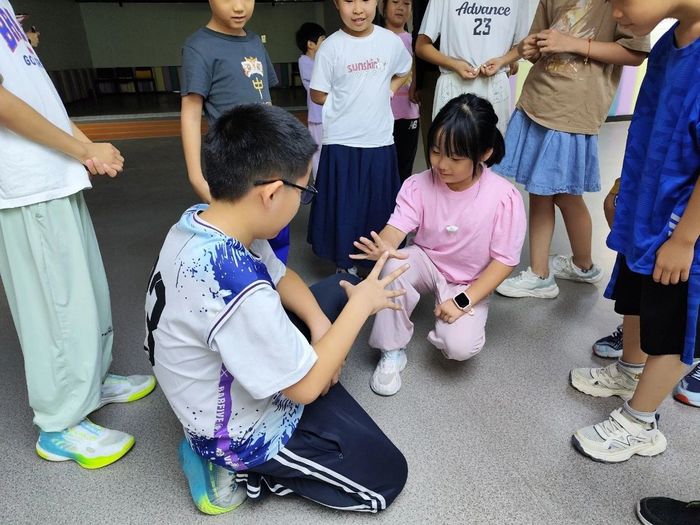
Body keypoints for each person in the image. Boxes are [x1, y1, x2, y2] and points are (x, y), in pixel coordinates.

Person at [145, 103, 409, 514]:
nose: (302, 201)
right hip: (234, 427)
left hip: (216, 368)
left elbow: (281, 275)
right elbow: (304, 389)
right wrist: (361, 308)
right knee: (387, 476)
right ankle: (231, 466)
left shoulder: (205, 219)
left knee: (331, 297)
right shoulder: (237, 285)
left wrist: (323, 326)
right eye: (303, 193)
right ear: (271, 193)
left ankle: (313, 360)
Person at [0, 1, 155, 469]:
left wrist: (86, 148)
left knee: (84, 290)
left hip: (53, 174)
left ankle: (91, 381)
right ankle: (60, 424)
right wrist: (78, 147)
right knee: (55, 306)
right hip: (25, 186)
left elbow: (37, 93)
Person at [568, 0, 700, 463]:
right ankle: (630, 368)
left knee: (671, 321)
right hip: (646, 205)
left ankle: (641, 423)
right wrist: (627, 184)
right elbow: (655, 127)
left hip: (681, 225)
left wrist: (685, 238)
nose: (617, 13)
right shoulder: (672, 41)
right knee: (636, 293)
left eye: (620, 1)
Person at [352, 94, 526, 396]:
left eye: (455, 158)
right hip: (426, 260)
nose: (441, 165)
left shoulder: (504, 197)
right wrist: (385, 245)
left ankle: (450, 318)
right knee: (393, 263)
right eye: (435, 151)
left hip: (469, 279)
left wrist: (462, 302)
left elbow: (504, 261)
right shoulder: (419, 184)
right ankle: (391, 350)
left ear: (484, 153)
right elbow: (397, 226)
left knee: (458, 348)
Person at [495, 0, 650, 300]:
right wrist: (531, 48)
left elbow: (635, 52)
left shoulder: (620, 5)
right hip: (538, 100)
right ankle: (581, 266)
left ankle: (544, 275)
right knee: (546, 191)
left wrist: (574, 43)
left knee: (561, 194)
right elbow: (539, 39)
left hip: (573, 110)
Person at [180, 0, 292, 263]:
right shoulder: (199, 47)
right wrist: (196, 176)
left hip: (270, 158)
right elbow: (191, 112)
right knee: (243, 243)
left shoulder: (254, 41)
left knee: (276, 236)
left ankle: (276, 294)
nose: (239, 6)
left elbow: (265, 98)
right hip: (237, 164)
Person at [308, 0, 412, 276]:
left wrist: (389, 89)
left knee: (378, 205)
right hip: (341, 141)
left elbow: (405, 70)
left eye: (365, 0)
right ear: (336, 4)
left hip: (379, 139)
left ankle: (375, 261)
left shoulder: (390, 42)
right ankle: (346, 264)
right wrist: (345, 101)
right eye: (349, 1)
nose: (358, 9)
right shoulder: (331, 46)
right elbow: (317, 93)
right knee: (346, 206)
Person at [415, 0, 530, 134]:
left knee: (492, 149)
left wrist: (502, 61)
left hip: (495, 87)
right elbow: (421, 46)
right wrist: (453, 64)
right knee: (450, 147)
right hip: (453, 84)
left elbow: (524, 45)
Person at [383, 0, 420, 182]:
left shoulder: (416, 42)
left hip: (409, 113)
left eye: (406, 3)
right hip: (382, 114)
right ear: (382, 6)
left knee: (404, 166)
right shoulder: (377, 39)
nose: (400, 7)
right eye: (395, 2)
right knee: (383, 167)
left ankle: (401, 206)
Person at [295, 22, 326, 180]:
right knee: (318, 149)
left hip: (327, 114)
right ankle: (319, 180)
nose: (325, 43)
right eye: (322, 39)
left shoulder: (320, 61)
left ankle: (326, 177)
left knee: (326, 147)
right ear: (310, 44)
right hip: (316, 115)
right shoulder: (304, 61)